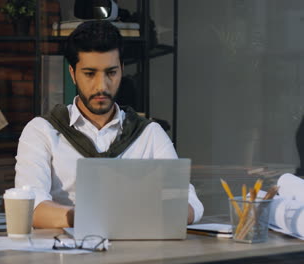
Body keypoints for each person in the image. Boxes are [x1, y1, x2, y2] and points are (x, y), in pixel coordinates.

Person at [15, 20, 203, 228]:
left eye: (111, 72)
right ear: (72, 74)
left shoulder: (149, 133)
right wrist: (91, 217)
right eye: (89, 74)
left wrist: (172, 211)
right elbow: (29, 207)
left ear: (122, 70)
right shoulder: (42, 131)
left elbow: (189, 203)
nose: (101, 86)